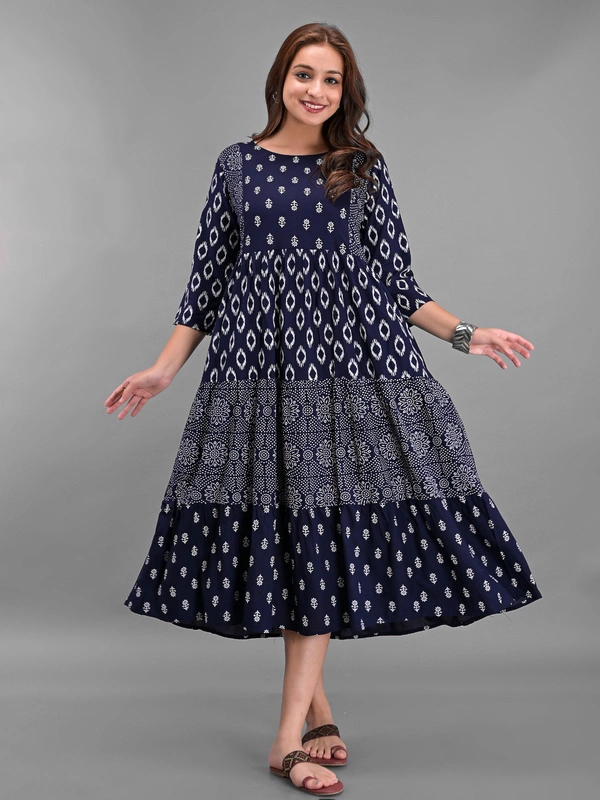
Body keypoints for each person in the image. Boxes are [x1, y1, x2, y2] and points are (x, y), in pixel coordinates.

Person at [105, 21, 542, 797]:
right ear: (280, 79)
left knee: (316, 527)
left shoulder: (360, 167)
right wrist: (164, 369)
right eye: (304, 74)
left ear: (347, 92)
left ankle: (286, 741)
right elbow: (208, 282)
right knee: (287, 529)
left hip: (348, 367)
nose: (316, 90)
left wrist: (466, 334)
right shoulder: (237, 166)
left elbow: (399, 283)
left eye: (332, 79)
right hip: (257, 369)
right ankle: (315, 715)